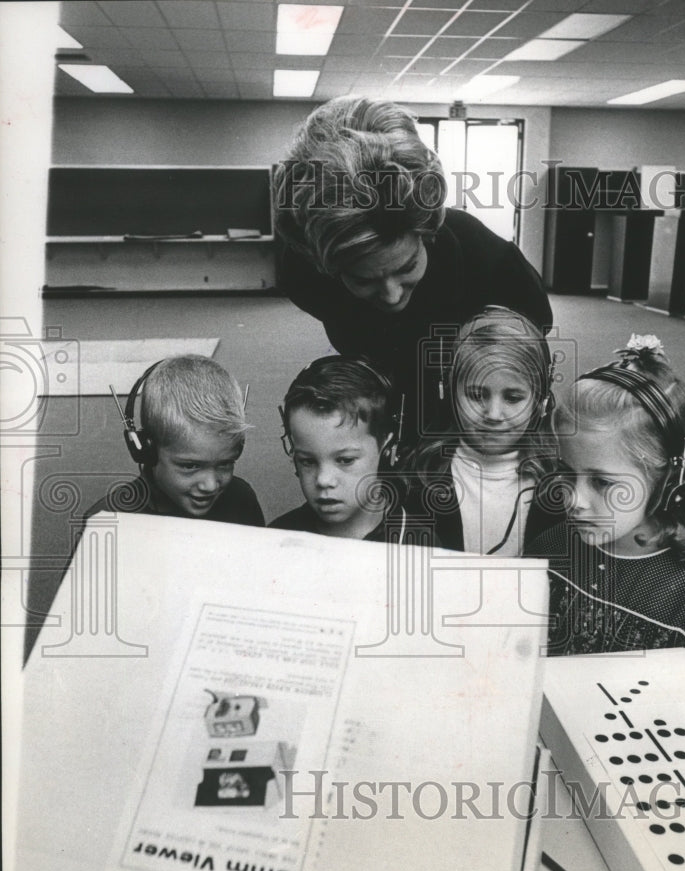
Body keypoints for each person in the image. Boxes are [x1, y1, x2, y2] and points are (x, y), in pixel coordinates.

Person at [274, 96, 552, 439]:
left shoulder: (490, 263)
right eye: (363, 279)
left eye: (407, 267)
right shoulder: (303, 272)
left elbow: (528, 365)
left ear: (427, 235)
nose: (391, 296)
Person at [526, 335, 685, 654]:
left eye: (602, 482)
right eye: (567, 471)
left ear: (668, 481)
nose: (573, 499)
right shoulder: (547, 549)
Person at [402, 305, 562, 556]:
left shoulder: (561, 484)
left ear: (540, 402)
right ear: (448, 393)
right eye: (477, 395)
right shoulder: (418, 475)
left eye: (512, 397)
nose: (493, 415)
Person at [85, 354, 265, 525]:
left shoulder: (242, 500)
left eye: (225, 464)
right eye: (190, 466)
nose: (210, 485)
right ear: (147, 452)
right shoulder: (108, 520)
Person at [270, 356, 429, 544]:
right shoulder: (275, 538)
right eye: (308, 461)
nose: (323, 480)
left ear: (388, 452)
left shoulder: (419, 545)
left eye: (345, 460)